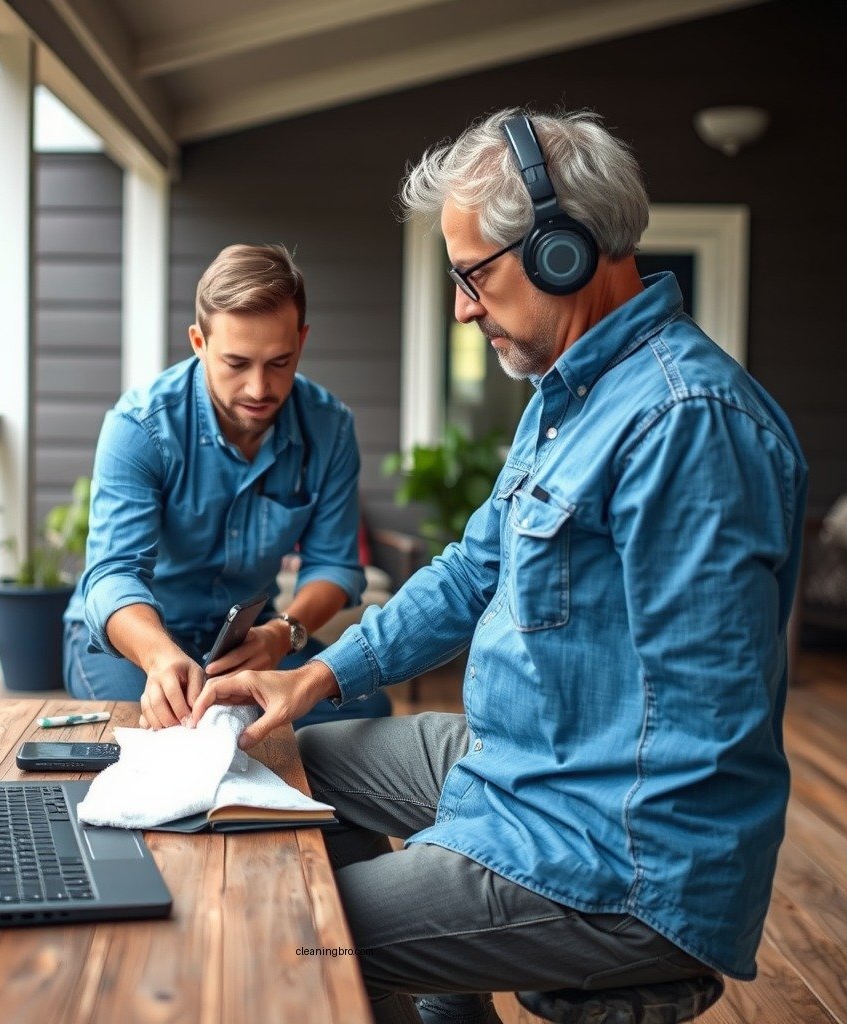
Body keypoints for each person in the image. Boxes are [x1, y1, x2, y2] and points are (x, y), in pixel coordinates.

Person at [191, 109, 807, 1024]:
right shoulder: (567, 397)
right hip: (523, 765)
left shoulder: (686, 424)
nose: (462, 307)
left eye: (473, 275)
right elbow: (470, 570)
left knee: (284, 927)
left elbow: (704, 733)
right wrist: (311, 676)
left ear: (565, 250)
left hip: (612, 852)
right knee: (294, 762)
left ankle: (408, 955)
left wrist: (479, 849)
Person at [64, 243, 391, 730]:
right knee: (172, 730)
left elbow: (335, 568)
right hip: (138, 642)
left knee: (367, 712)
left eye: (279, 362)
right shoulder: (139, 426)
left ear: (301, 341)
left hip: (249, 642)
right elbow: (113, 575)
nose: (259, 389)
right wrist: (159, 657)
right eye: (236, 363)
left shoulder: (330, 428)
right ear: (199, 342)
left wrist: (284, 633)